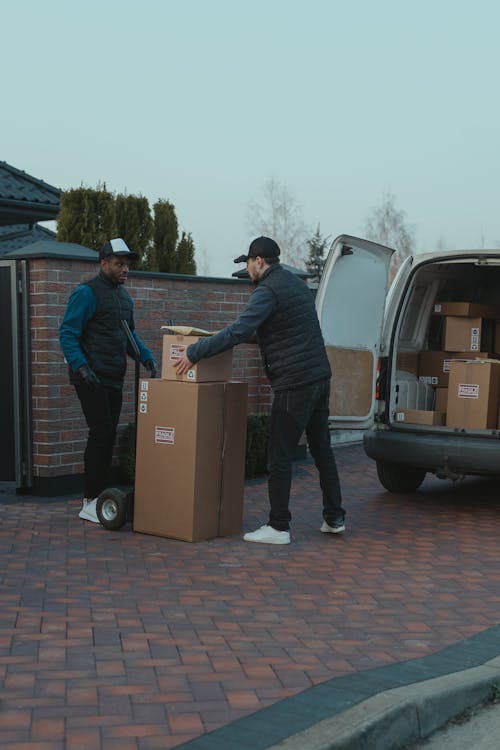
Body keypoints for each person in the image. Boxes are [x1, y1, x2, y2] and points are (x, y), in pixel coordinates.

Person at [174, 236, 345, 545]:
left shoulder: (267, 289)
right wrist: (219, 338)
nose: (247, 270)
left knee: (278, 455)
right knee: (322, 451)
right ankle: (335, 517)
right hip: (319, 377)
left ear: (259, 261)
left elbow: (240, 331)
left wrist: (195, 351)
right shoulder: (295, 285)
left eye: (248, 263)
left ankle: (278, 527)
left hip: (294, 382)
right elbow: (271, 331)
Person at [59, 238, 157, 523]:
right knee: (101, 434)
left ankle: (99, 497)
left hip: (114, 377)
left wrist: (145, 356)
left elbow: (130, 336)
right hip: (90, 377)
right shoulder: (86, 293)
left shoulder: (124, 298)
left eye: (127, 264)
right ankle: (90, 500)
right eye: (119, 263)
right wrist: (81, 367)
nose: (125, 269)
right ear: (104, 264)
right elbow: (67, 333)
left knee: (108, 435)